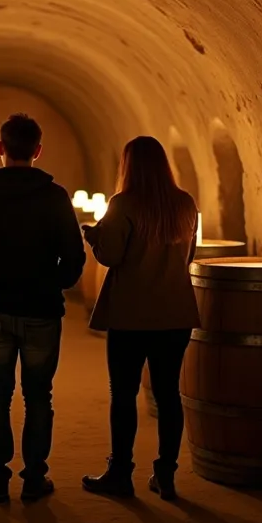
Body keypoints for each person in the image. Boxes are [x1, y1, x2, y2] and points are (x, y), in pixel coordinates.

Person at [0, 113, 86, 503]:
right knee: (38, 395)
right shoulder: (55, 196)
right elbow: (74, 257)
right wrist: (53, 284)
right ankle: (33, 478)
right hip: (42, 310)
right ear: (38, 151)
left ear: (1, 149)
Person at [81, 136, 200, 501]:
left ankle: (121, 472)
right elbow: (190, 254)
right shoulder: (184, 203)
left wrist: (95, 238)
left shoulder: (123, 203)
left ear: (128, 166)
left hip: (131, 315)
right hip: (175, 314)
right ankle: (166, 473)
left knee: (124, 394)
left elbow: (112, 256)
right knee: (169, 396)